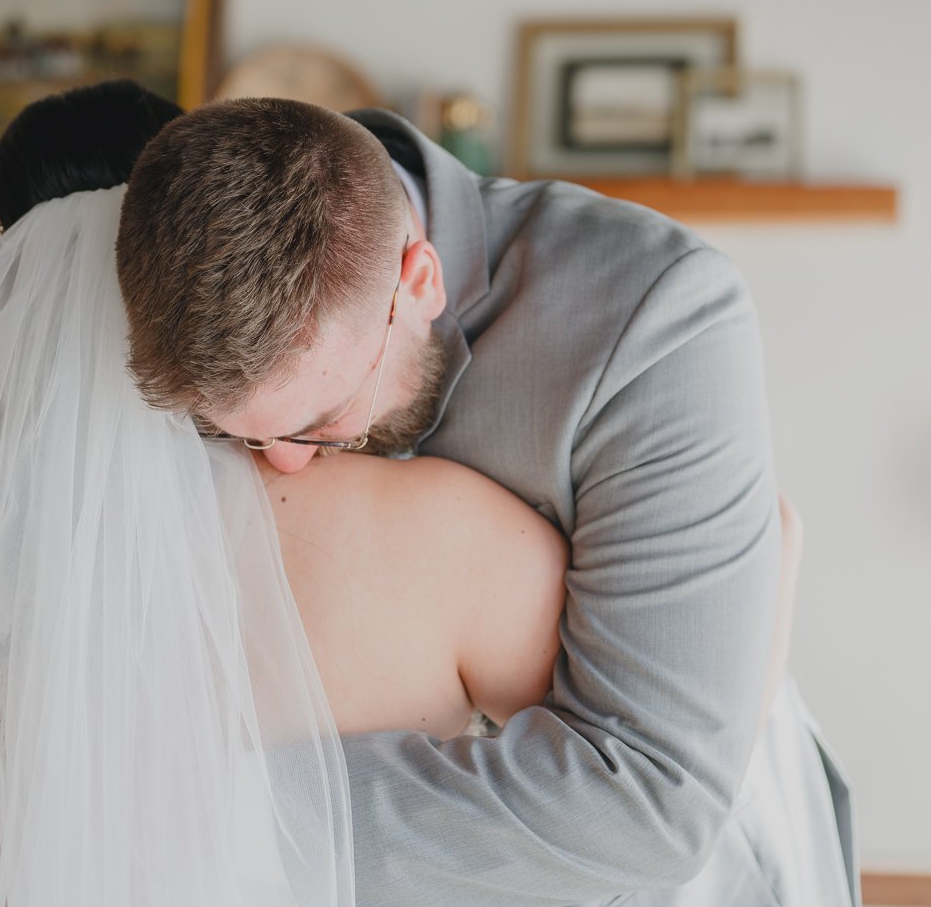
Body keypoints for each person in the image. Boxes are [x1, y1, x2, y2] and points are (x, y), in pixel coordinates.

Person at [116, 98, 857, 905]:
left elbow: (651, 805)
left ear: (420, 280)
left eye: (324, 423)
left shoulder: (656, 312)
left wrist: (216, 819)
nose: (288, 466)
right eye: (240, 437)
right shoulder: (192, 264)